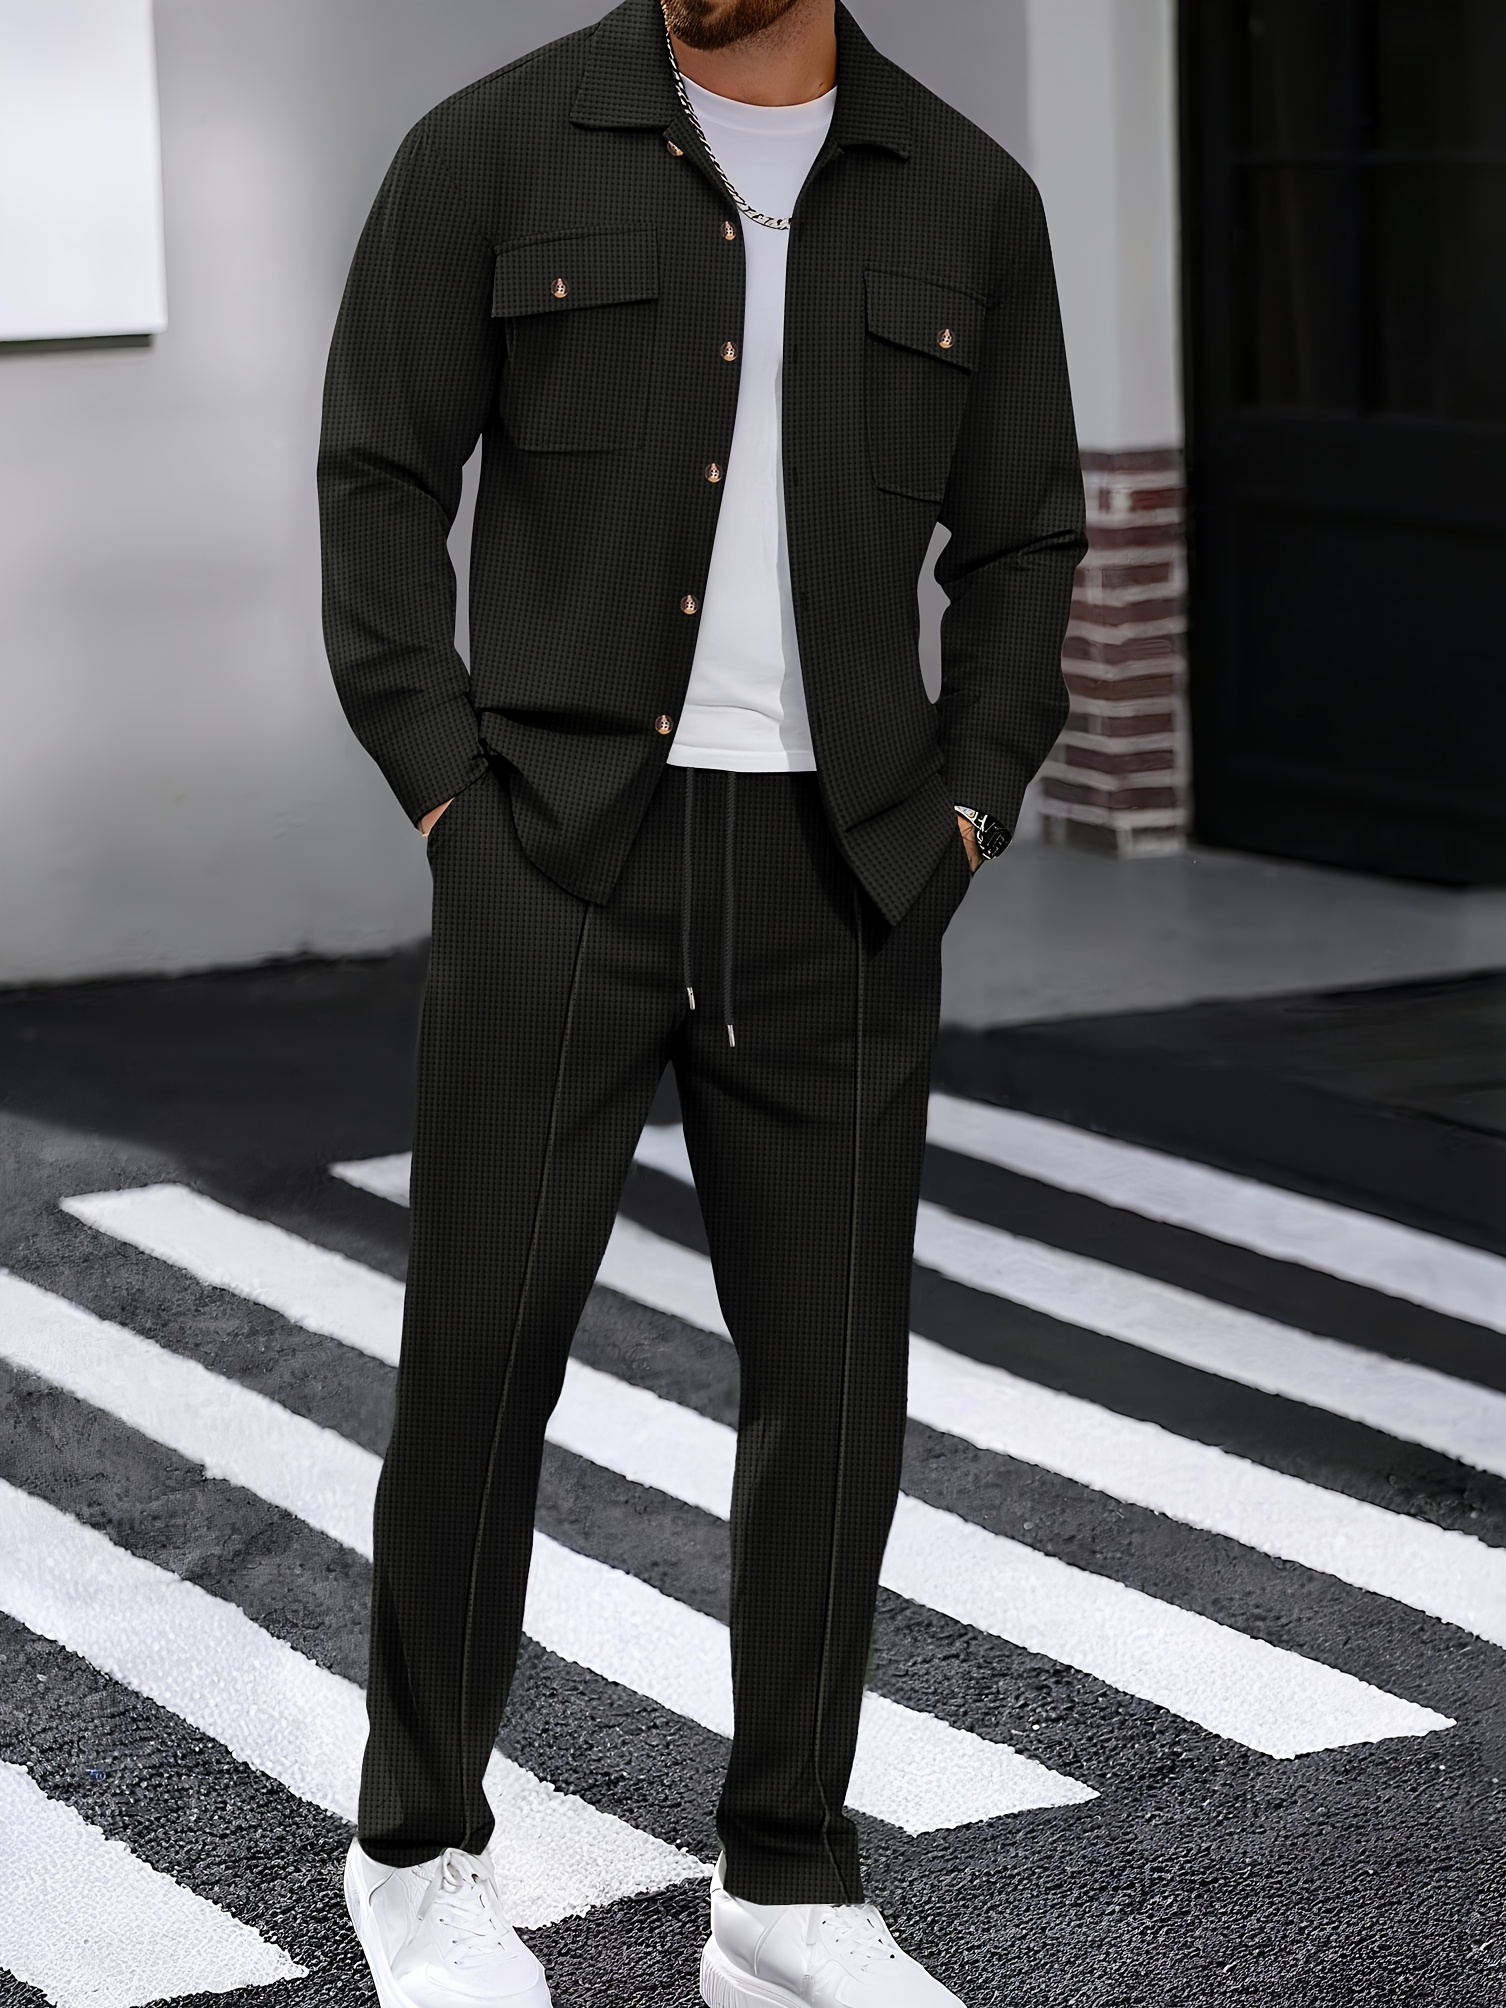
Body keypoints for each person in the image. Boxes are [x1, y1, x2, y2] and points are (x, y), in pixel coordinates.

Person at [318, 0, 1084, 2000]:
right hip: (558, 855)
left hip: (845, 877)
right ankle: (414, 1848)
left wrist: (965, 814)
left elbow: (1024, 543)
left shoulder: (970, 201)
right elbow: (377, 476)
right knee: (480, 1360)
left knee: (832, 1390)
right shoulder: (488, 152)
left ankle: (788, 1886)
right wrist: (449, 795)